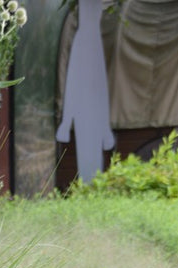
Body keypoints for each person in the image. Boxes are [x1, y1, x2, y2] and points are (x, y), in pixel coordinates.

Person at [56, 0, 114, 182]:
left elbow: (100, 88)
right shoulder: (84, 39)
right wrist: (66, 121)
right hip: (85, 112)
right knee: (89, 161)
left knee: (94, 160)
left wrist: (105, 127)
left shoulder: (93, 37)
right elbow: (73, 82)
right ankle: (89, 189)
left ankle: (92, 190)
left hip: (94, 113)